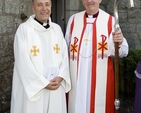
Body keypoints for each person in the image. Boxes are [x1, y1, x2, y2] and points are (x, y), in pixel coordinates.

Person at [65, 0, 128, 113]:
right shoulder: (73, 20)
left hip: (100, 79)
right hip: (77, 78)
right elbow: (65, 50)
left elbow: (123, 52)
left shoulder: (110, 21)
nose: (89, 1)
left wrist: (120, 40)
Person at [10, 0, 71, 113]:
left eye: (47, 4)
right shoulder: (24, 30)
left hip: (55, 86)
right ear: (33, 8)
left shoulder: (57, 29)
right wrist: (43, 83)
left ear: (51, 8)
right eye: (39, 5)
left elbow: (65, 57)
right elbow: (22, 62)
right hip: (34, 89)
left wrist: (61, 76)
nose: (44, 8)